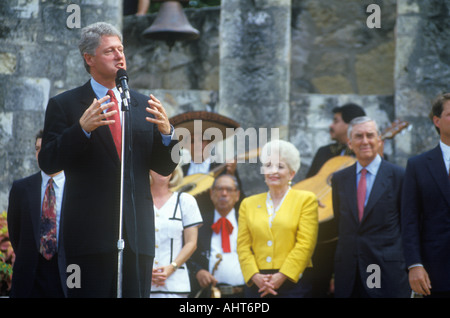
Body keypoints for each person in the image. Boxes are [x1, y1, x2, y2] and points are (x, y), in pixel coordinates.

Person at [38, 22, 178, 298]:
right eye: (109, 51)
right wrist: (81, 130)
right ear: (89, 59)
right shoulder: (65, 105)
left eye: (121, 49)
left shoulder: (142, 104)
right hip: (89, 238)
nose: (119, 56)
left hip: (137, 236)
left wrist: (167, 134)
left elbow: (164, 167)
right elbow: (49, 162)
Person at [331, 116, 410, 298]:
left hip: (385, 271)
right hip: (349, 274)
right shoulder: (339, 179)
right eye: (359, 136)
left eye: (370, 135)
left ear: (379, 140)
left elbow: (410, 225)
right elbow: (339, 225)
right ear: (350, 143)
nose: (365, 141)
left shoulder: (399, 176)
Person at [237, 140, 318, 298]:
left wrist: (282, 276)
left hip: (293, 282)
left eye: (280, 166)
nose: (273, 171)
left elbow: (306, 244)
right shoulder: (248, 204)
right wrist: (254, 275)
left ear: (292, 173)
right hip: (258, 284)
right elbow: (242, 246)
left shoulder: (306, 200)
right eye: (268, 166)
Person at [305, 103, 365, 298]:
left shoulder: (369, 157)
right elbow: (309, 184)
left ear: (351, 125)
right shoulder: (325, 152)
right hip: (320, 237)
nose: (331, 125)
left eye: (336, 121)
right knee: (315, 288)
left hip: (351, 237)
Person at [401, 93, 450, 298]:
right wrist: (414, 264)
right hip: (435, 273)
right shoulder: (418, 166)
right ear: (437, 121)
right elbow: (409, 219)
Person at [7, 130, 66, 297]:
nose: (40, 153)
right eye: (37, 148)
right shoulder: (21, 188)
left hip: (67, 275)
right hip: (29, 279)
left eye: (45, 148)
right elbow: (15, 233)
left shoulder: (76, 189)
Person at [187, 174, 245, 298]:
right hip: (209, 293)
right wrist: (198, 271)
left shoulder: (247, 222)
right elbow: (186, 253)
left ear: (237, 195)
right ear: (211, 194)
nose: (224, 194)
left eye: (229, 189)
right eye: (219, 189)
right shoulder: (198, 224)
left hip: (244, 294)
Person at [149, 165, 202, 298]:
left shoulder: (185, 201)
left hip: (175, 286)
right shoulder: (136, 200)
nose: (163, 169)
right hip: (142, 284)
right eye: (158, 165)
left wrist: (171, 267)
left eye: (167, 165)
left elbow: (191, 243)